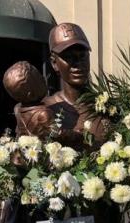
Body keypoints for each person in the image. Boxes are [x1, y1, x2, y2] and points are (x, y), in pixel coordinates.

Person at [42, 22, 110, 150]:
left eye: (82, 56)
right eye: (69, 57)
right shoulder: (45, 111)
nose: (78, 63)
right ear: (54, 63)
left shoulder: (108, 109)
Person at [3, 61, 53, 139]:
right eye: (40, 79)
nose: (43, 78)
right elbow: (57, 134)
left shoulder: (17, 108)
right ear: (31, 95)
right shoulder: (43, 114)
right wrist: (75, 135)